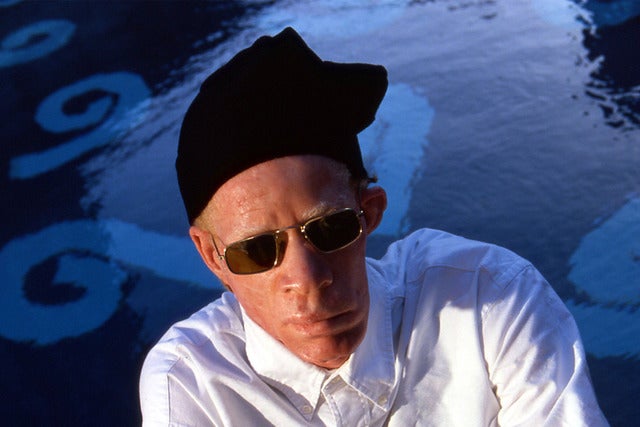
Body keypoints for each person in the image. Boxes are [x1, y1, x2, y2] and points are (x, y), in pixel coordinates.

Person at [139, 27, 608, 426]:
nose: (306, 278)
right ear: (212, 256)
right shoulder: (192, 383)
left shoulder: (490, 298)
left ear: (370, 212)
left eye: (329, 229)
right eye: (258, 250)